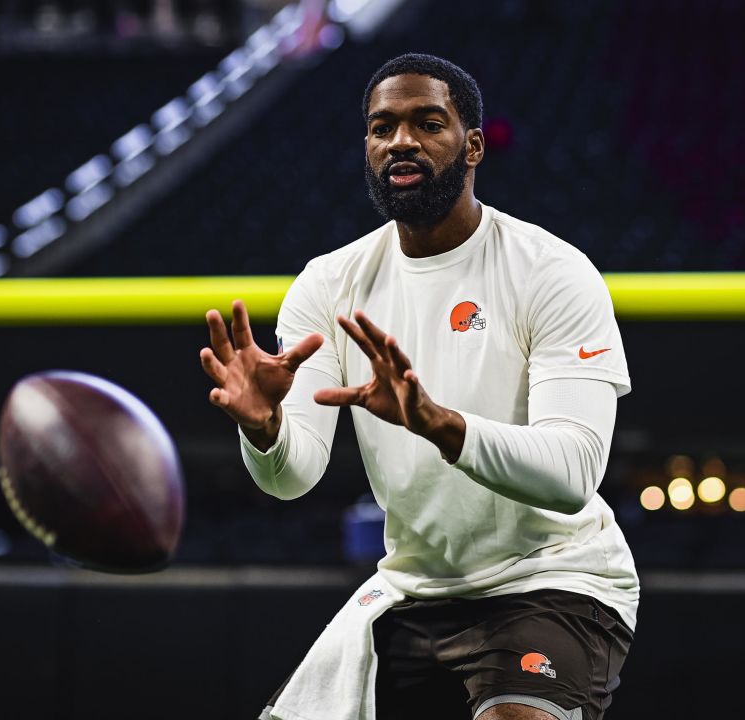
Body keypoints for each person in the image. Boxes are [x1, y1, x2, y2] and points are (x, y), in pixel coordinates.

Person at [199, 53, 637, 720]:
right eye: (382, 128)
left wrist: (442, 425)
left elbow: (574, 468)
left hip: (551, 578)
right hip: (416, 587)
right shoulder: (328, 284)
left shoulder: (552, 272)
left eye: (428, 123)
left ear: (473, 147)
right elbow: (294, 476)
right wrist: (264, 431)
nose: (401, 140)